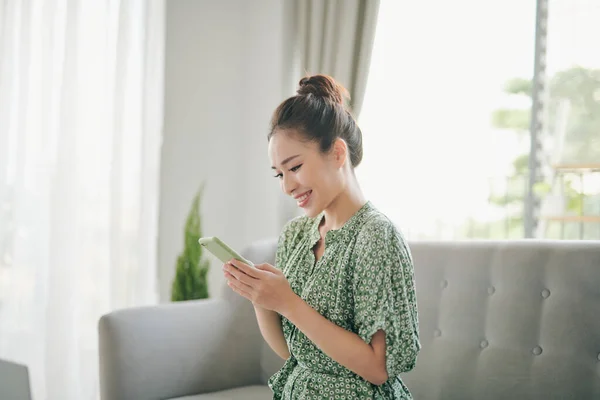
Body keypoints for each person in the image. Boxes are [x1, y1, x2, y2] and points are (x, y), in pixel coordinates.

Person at [222, 74, 420, 399]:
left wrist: (288, 302)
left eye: (295, 167)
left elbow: (377, 367)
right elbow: (298, 355)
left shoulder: (376, 237)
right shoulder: (296, 235)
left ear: (338, 154)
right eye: (279, 174)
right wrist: (263, 301)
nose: (287, 186)